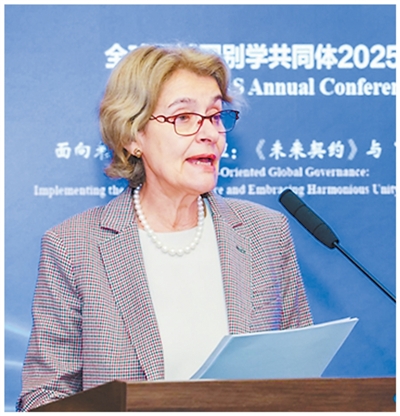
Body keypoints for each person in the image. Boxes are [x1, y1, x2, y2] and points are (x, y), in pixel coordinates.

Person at [17, 44, 313, 411]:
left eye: (216, 116)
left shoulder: (266, 233)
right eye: (184, 117)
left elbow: (303, 380)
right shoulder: (74, 247)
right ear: (133, 137)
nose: (210, 133)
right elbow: (44, 398)